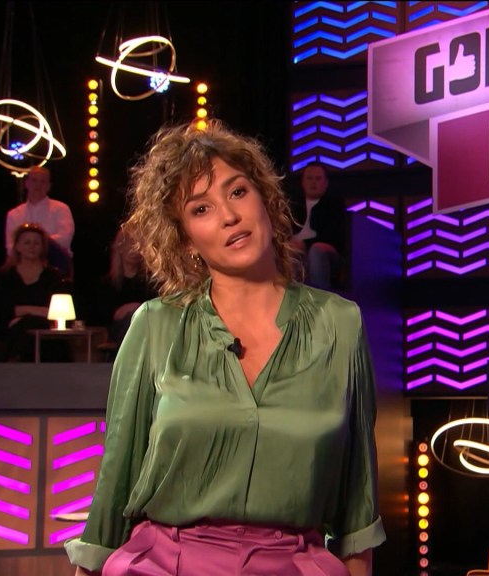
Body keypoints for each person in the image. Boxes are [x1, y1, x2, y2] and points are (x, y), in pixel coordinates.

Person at [64, 122, 384, 576]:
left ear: (266, 199)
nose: (229, 216)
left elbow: (357, 503)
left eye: (237, 192)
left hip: (294, 564)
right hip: (165, 563)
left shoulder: (340, 323)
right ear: (185, 239)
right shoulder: (155, 325)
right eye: (201, 208)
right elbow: (115, 479)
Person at [0, 223, 70, 362]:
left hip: (44, 332)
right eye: (27, 242)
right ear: (17, 246)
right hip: (7, 331)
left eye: (36, 243)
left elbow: (58, 312)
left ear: (43, 247)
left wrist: (21, 315)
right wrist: (38, 311)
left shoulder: (54, 277)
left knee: (31, 326)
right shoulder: (3, 276)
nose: (32, 246)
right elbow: (0, 310)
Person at [5, 165, 75, 277]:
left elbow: (64, 239)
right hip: (22, 269)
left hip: (56, 266)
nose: (38, 185)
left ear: (49, 186)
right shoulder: (14, 214)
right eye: (34, 180)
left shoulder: (61, 209)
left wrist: (35, 245)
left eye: (43, 181)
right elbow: (10, 245)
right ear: (26, 183)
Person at [289, 162, 348, 290]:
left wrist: (305, 244)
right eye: (309, 178)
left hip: (328, 251)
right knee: (285, 251)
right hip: (297, 249)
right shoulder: (293, 205)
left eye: (318, 178)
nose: (313, 182)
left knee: (316, 250)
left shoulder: (334, 204)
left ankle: (318, 298)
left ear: (326, 183)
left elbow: (333, 237)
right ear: (302, 182)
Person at [96, 227, 155, 346]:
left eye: (136, 246)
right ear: (120, 248)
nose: (132, 250)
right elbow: (106, 315)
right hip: (117, 331)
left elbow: (156, 308)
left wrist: (136, 307)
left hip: (146, 329)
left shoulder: (150, 282)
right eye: (128, 245)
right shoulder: (109, 283)